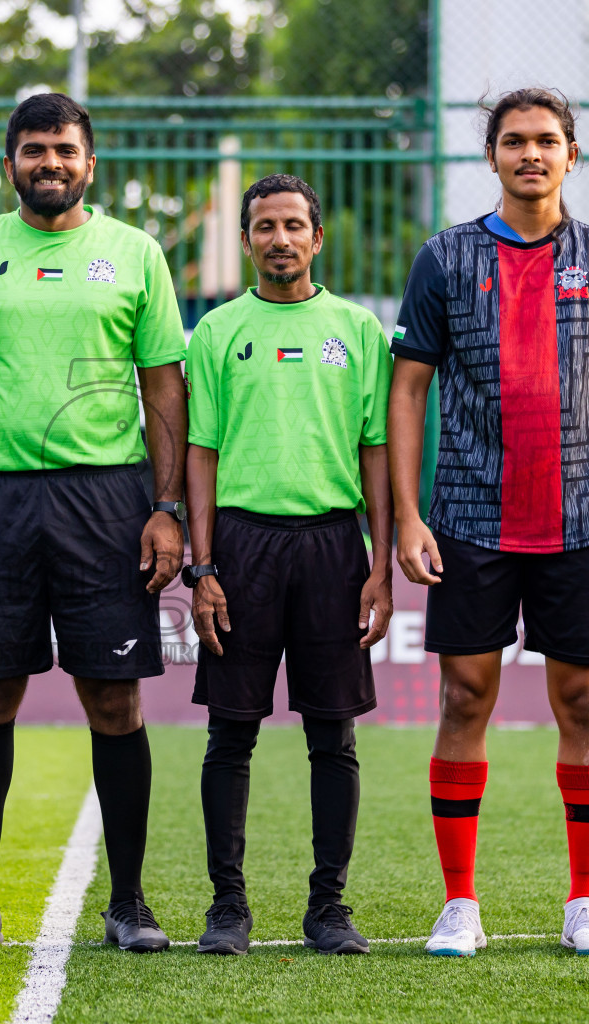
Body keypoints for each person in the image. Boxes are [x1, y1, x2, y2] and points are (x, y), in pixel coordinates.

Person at [0, 93, 188, 953]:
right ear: (9, 164)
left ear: (89, 163)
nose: (50, 163)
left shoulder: (135, 255)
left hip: (107, 499)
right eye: (34, 150)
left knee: (114, 698)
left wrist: (167, 510)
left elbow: (165, 389)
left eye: (64, 149)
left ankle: (129, 902)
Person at [388, 89, 589, 957]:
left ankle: (585, 901)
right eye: (515, 141)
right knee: (464, 697)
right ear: (493, 156)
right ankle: (459, 903)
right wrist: (406, 515)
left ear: (572, 156)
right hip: (470, 516)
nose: (531, 154)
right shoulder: (444, 258)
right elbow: (407, 390)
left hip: (580, 518)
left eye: (547, 141)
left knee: (582, 703)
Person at [185, 174, 394, 956]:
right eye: (264, 226)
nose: (280, 239)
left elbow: (376, 450)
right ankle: (228, 908)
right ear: (245, 241)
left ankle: (328, 907)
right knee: (229, 734)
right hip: (241, 547)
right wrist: (203, 566)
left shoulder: (358, 331)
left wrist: (380, 563)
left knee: (333, 737)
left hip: (334, 546)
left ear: (317, 238)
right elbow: (199, 455)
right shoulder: (215, 333)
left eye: (293, 226)